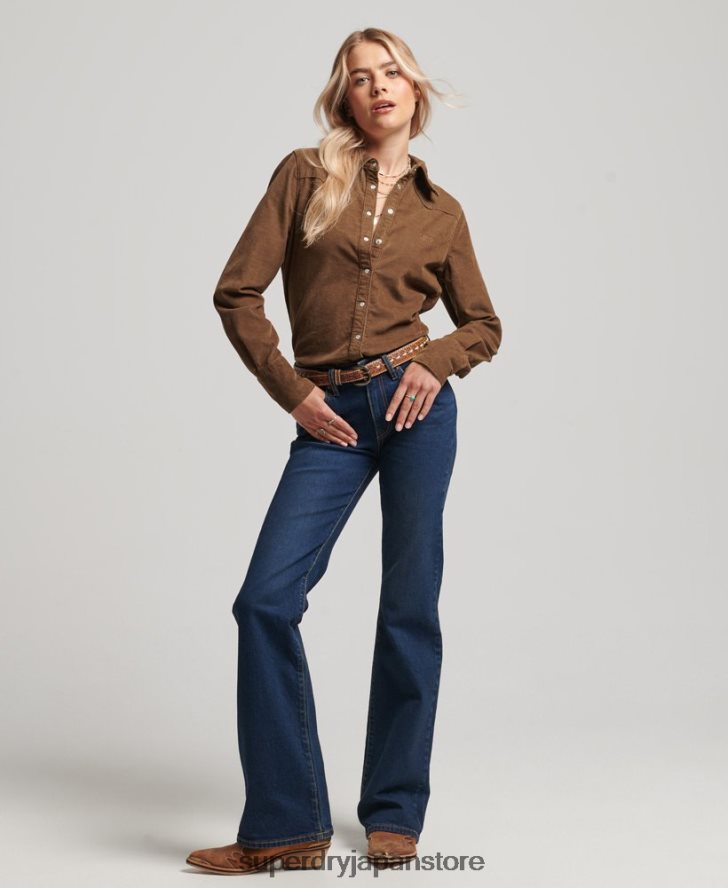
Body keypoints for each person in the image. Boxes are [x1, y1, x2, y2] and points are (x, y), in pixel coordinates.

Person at [186, 27, 502, 876]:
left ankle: (394, 812)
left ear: (415, 88)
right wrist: (293, 392)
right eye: (360, 77)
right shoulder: (304, 175)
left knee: (409, 606)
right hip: (330, 415)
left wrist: (436, 363)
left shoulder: (443, 212)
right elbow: (237, 292)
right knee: (265, 600)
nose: (378, 87)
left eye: (391, 72)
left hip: (415, 410)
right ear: (345, 97)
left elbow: (484, 325)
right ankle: (287, 824)